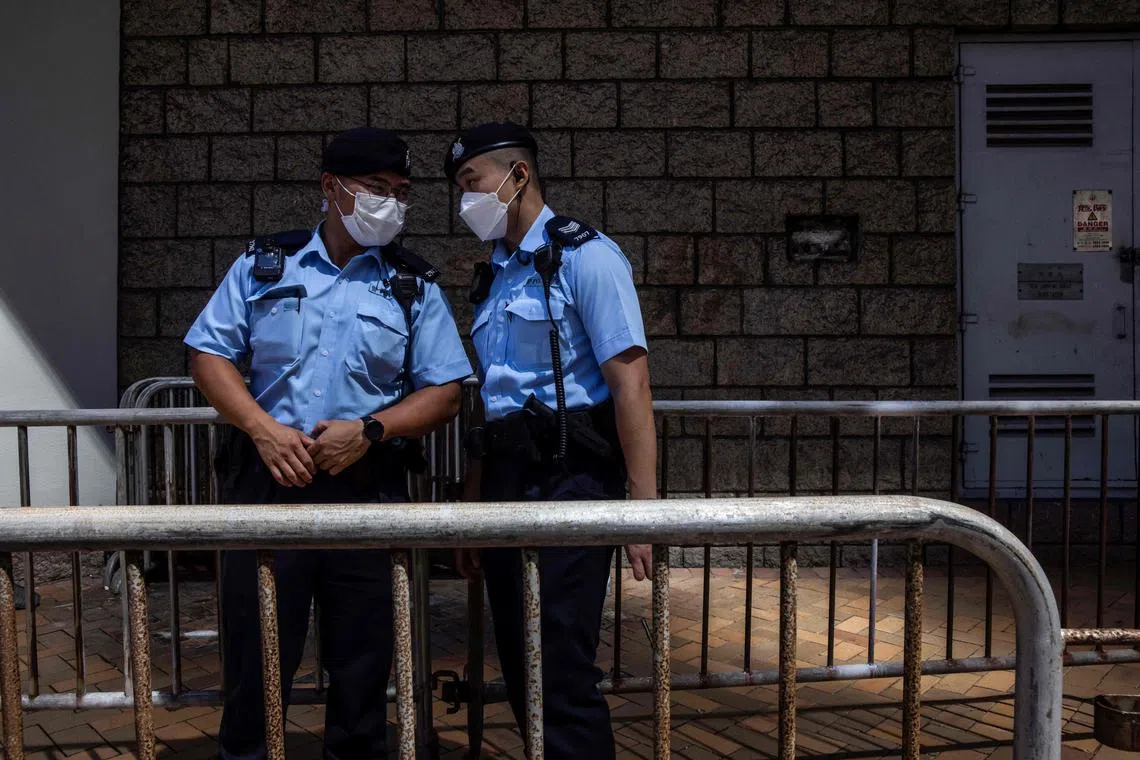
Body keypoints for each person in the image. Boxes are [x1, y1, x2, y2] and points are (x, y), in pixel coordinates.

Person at [184, 127, 472, 760]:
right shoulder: (265, 266)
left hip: (365, 493)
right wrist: (262, 428)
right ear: (330, 189)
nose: (390, 204)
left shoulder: (411, 284)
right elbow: (208, 354)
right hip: (268, 487)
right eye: (376, 189)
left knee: (363, 663)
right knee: (255, 658)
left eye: (400, 192)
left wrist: (371, 430)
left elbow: (447, 389)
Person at [446, 122, 657, 759]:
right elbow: (490, 399)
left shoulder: (585, 256)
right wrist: (478, 503)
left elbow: (632, 383)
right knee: (519, 659)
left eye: (470, 182)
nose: (464, 200)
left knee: (561, 664)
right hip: (509, 482)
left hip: (572, 476)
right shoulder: (497, 274)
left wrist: (644, 511)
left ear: (518, 176)